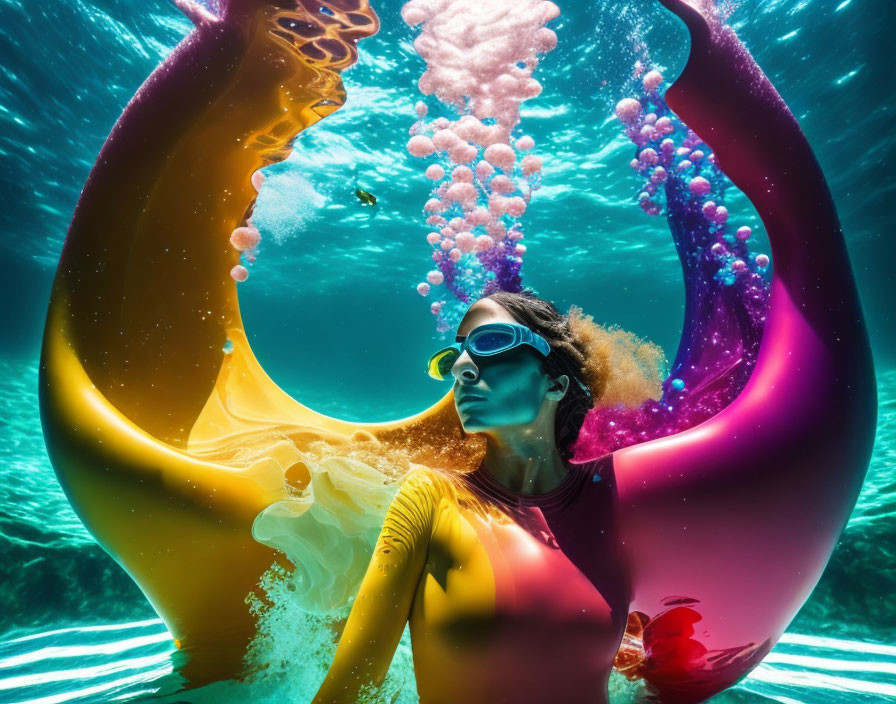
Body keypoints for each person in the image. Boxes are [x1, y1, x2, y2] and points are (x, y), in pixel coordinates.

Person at [311, 291, 658, 704]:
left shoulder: (614, 492)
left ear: (555, 382)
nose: (460, 368)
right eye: (452, 356)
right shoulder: (429, 499)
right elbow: (347, 691)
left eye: (491, 342)